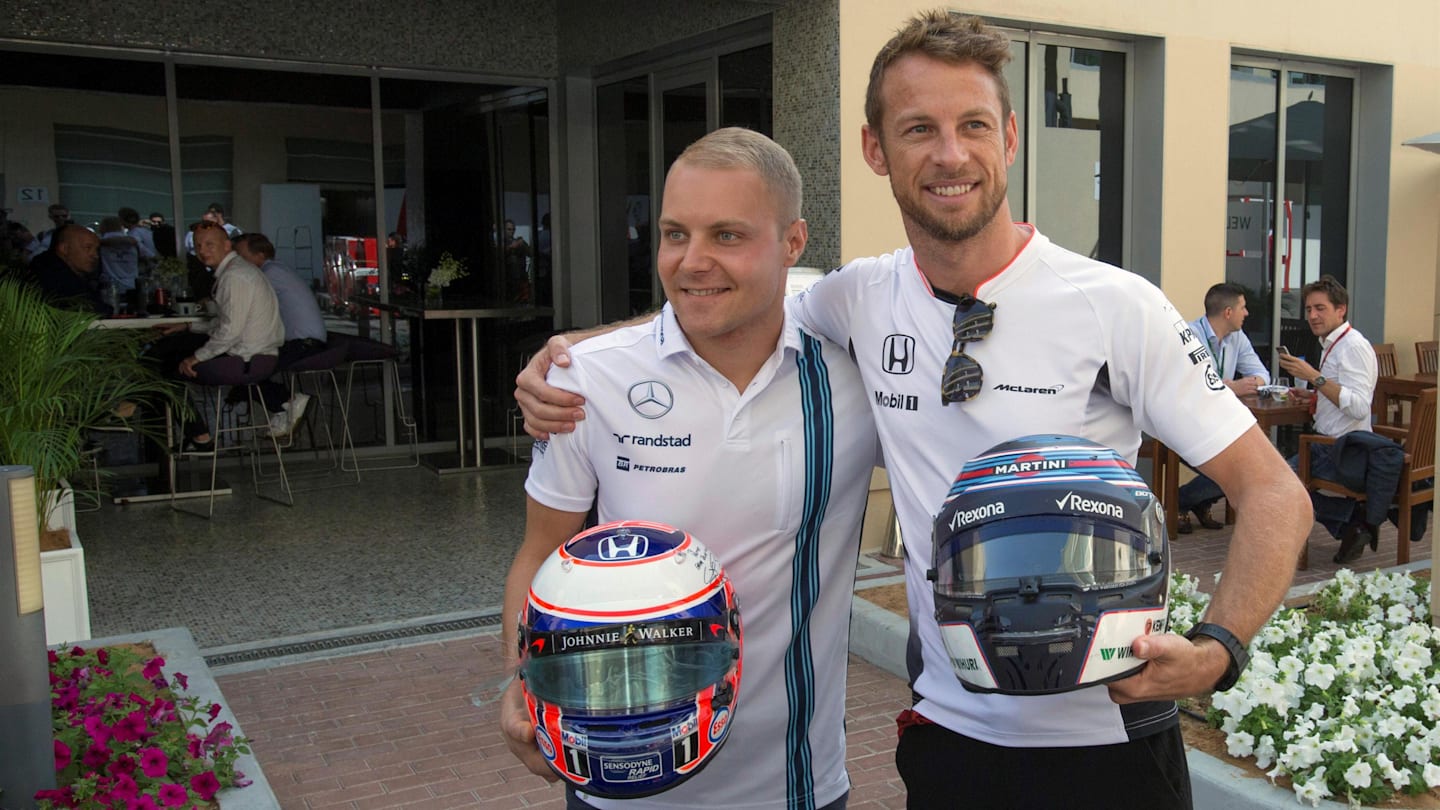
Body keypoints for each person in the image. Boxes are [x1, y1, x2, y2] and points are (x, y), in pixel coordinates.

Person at [516, 12, 1312, 809]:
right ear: (875, 149)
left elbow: (1274, 494)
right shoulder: (859, 297)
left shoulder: (1115, 307)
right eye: (918, 128)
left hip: (1109, 742)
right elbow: (726, 291)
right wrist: (582, 349)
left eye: (972, 125)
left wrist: (1219, 648)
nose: (949, 154)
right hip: (949, 740)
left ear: (1008, 138)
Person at [499, 128, 877, 810]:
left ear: (793, 244)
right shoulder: (588, 377)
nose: (691, 261)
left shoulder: (857, 370)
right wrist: (517, 684)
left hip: (792, 784)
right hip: (613, 780)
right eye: (675, 234)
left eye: (726, 236)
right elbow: (539, 552)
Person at [150, 220, 283, 450]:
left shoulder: (235, 277)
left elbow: (229, 331)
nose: (202, 251)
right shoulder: (236, 272)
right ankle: (197, 435)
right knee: (166, 352)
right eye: (198, 245)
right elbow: (226, 324)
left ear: (227, 246)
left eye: (210, 244)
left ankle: (199, 437)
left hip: (246, 359)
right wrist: (189, 327)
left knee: (165, 369)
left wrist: (197, 357)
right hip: (252, 354)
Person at [1279, 274, 1381, 563]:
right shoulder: (1332, 344)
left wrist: (1314, 376)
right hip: (1329, 442)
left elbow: (1360, 406)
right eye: (1309, 309)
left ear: (1341, 309)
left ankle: (1351, 521)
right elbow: (1340, 394)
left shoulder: (1353, 347)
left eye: (1320, 308)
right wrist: (1312, 395)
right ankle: (1352, 523)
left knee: (1279, 483)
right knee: (1281, 482)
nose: (1312, 315)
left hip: (1342, 448)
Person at [1174, 282, 1270, 533]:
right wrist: (1231, 389)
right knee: (1238, 467)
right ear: (1228, 312)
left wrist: (1243, 384)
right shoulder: (1189, 336)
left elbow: (1262, 375)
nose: (1247, 313)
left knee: (1250, 462)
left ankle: (1188, 502)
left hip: (1218, 421)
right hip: (1187, 421)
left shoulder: (1236, 338)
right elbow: (1192, 387)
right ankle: (1181, 502)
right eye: (1243, 307)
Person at [233, 233, 321, 435]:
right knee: (245, 368)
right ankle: (285, 407)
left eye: (241, 255)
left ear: (260, 254)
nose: (237, 262)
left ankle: (288, 402)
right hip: (305, 341)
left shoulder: (267, 275)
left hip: (302, 343)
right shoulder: (278, 270)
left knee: (246, 369)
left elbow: (246, 310)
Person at [32, 224, 111, 314]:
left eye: (96, 249)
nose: (95, 255)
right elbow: (95, 310)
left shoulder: (50, 269)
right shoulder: (55, 278)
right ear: (64, 249)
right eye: (88, 248)